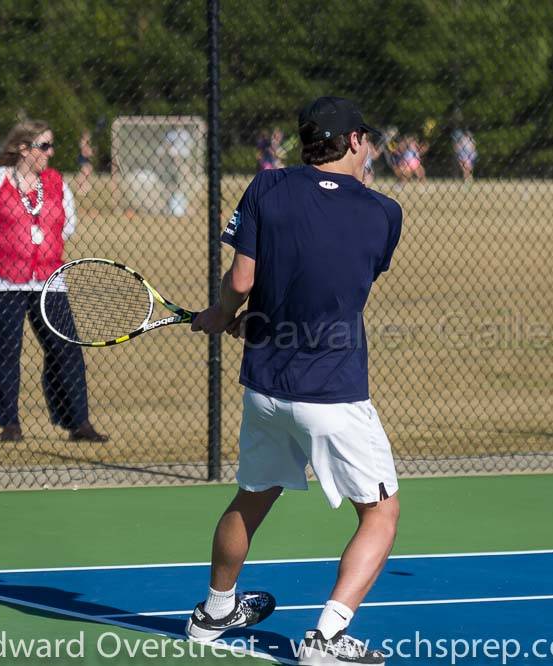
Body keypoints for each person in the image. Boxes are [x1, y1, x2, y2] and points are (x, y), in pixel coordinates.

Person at [189, 96, 402, 665]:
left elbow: (244, 277)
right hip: (332, 391)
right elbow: (339, 283)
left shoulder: (266, 188)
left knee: (253, 495)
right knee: (381, 514)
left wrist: (222, 315)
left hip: (264, 388)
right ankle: (327, 638)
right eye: (367, 139)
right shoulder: (385, 213)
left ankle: (215, 609)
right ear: (354, 141)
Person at [0, 120, 108, 443]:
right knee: (4, 352)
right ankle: (9, 424)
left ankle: (77, 422)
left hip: (49, 280)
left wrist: (41, 245)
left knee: (65, 348)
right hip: (1, 280)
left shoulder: (56, 183)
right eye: (44, 146)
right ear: (23, 149)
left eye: (51, 145)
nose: (50, 153)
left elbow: (66, 226)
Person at [74, 129, 94, 196]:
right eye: (88, 136)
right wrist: (89, 152)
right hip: (82, 158)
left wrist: (90, 152)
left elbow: (88, 150)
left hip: (86, 158)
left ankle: (84, 187)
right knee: (84, 173)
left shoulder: (88, 142)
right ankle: (80, 189)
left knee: (88, 171)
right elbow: (84, 151)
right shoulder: (83, 142)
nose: (89, 137)